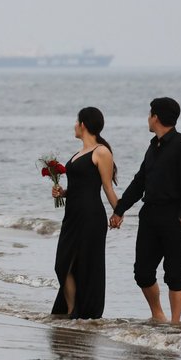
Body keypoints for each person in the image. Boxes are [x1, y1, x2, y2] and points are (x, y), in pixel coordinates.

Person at [109, 97, 181, 325]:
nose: (148, 118)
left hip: (173, 216)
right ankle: (158, 315)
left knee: (174, 273)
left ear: (156, 117)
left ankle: (175, 324)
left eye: (150, 114)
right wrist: (120, 208)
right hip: (149, 216)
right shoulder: (153, 146)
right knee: (142, 272)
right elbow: (140, 181)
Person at [51, 107, 119, 319]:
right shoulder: (78, 153)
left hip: (91, 217)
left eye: (76, 121)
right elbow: (80, 185)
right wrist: (62, 191)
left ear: (84, 125)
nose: (74, 125)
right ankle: (72, 310)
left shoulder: (101, 152)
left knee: (86, 266)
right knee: (62, 264)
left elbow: (107, 187)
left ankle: (79, 314)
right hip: (72, 216)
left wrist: (119, 212)